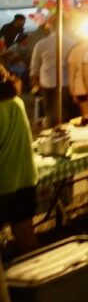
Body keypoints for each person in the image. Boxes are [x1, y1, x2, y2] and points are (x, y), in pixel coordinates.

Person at [0, 78, 39, 255]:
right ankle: (38, 279)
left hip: (3, 185)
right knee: (26, 237)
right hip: (25, 180)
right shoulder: (17, 102)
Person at [30, 22, 65, 127]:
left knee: (50, 112)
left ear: (50, 28)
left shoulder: (42, 43)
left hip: (48, 82)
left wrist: (34, 82)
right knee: (68, 111)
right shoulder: (73, 42)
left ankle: (53, 133)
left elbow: (34, 67)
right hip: (68, 82)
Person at [67, 37, 88, 117]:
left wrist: (72, 92)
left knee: (87, 117)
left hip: (80, 89)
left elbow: (71, 74)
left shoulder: (75, 50)